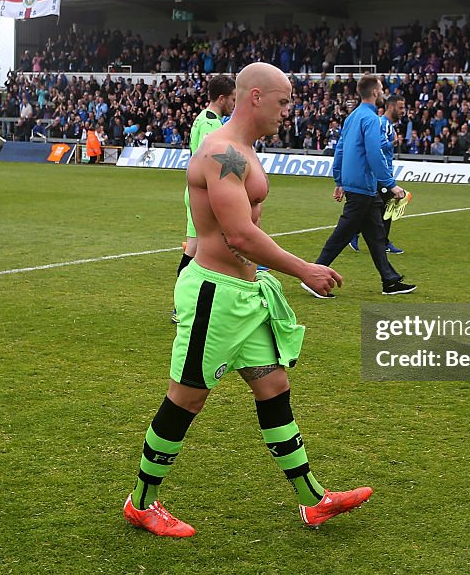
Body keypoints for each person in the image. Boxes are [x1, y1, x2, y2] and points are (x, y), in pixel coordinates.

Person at [123, 62, 370, 538]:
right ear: (255, 97)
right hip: (214, 295)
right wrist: (305, 269)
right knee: (187, 399)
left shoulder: (245, 152)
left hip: (245, 294)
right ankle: (141, 503)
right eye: (284, 102)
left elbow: (248, 232)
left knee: (273, 387)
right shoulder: (222, 154)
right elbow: (239, 233)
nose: (289, 112)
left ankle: (313, 501)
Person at [305, 74, 416, 298]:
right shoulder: (372, 119)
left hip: (360, 186)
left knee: (376, 236)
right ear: (375, 92)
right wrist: (391, 185)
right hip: (364, 186)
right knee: (342, 234)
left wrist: (339, 180)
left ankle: (390, 281)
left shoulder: (353, 117)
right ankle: (313, 277)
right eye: (382, 88)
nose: (384, 91)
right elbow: (374, 154)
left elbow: (341, 150)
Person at [173, 75, 236, 323]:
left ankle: (191, 305)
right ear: (221, 98)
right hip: (205, 194)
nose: (234, 104)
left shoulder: (204, 118)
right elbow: (211, 162)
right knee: (200, 250)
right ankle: (183, 306)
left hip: (198, 192)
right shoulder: (211, 124)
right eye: (232, 99)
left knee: (196, 248)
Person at [348, 93, 405, 255]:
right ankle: (381, 241)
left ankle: (357, 234)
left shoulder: (387, 125)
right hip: (380, 175)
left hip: (383, 173)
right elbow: (377, 147)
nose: (403, 111)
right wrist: (393, 143)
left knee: (376, 210)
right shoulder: (382, 123)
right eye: (400, 107)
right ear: (391, 106)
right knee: (384, 209)